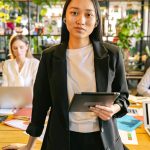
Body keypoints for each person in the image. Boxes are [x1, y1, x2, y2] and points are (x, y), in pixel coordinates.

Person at [2, 0, 129, 150]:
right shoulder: (49, 56)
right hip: (62, 140)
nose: (81, 20)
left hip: (103, 140)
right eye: (74, 13)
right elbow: (40, 105)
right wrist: (28, 146)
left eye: (88, 14)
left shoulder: (112, 54)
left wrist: (114, 108)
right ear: (64, 18)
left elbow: (123, 97)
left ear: (96, 21)